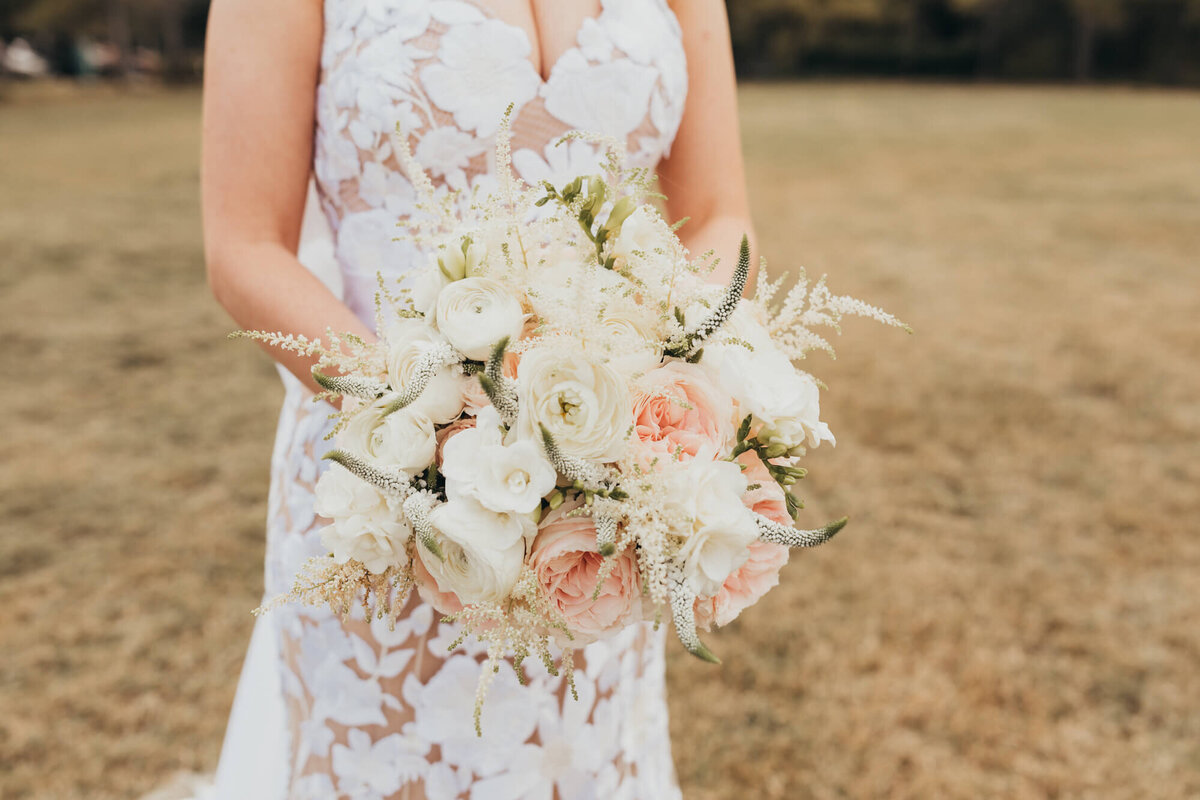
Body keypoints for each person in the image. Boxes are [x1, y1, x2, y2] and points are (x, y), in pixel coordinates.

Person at [201, 1, 756, 797]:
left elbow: (720, 217)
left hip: (600, 497)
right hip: (388, 490)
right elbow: (243, 247)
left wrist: (660, 396)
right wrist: (430, 425)